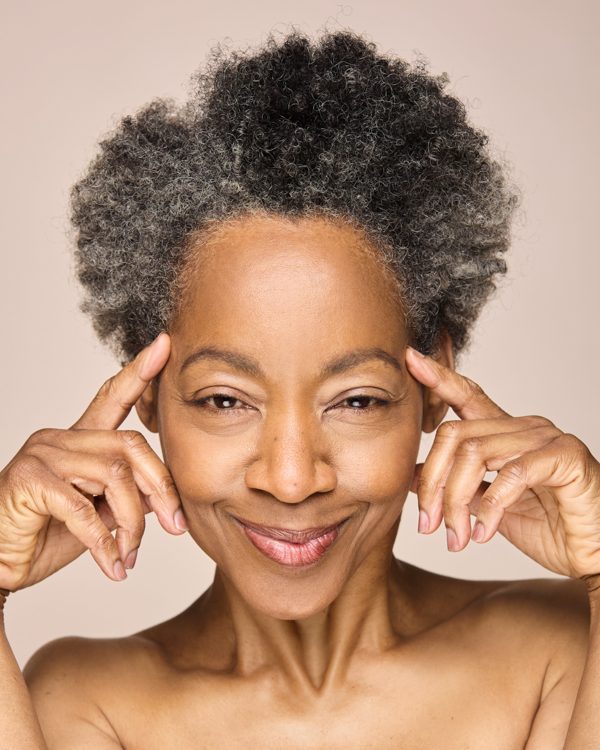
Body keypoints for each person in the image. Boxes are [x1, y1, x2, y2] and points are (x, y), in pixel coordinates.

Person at [1, 28, 599, 749]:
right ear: (147, 392)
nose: (291, 481)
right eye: (225, 400)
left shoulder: (560, 654)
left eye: (356, 401)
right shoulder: (85, 702)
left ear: (436, 382)